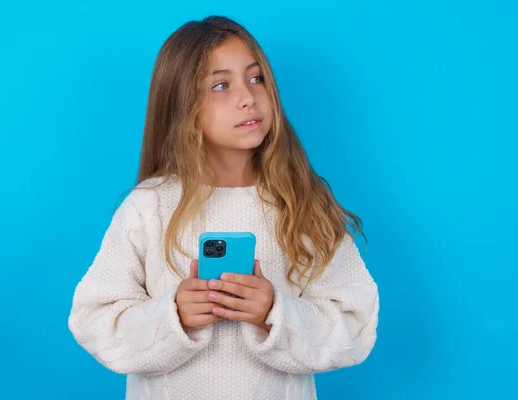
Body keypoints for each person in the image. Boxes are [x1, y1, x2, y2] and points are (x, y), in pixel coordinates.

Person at [68, 15, 379, 400]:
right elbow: (93, 318)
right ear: (184, 108)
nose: (248, 96)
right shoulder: (149, 207)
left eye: (256, 78)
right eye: (220, 85)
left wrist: (273, 313)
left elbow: (355, 321)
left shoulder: (301, 204)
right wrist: (173, 317)